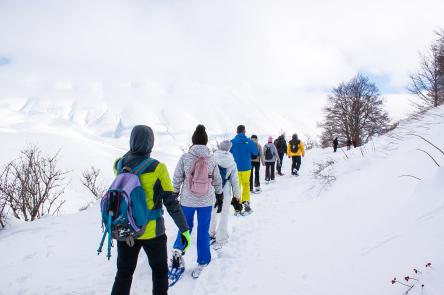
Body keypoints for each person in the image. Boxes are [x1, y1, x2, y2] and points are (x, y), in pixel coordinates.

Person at [111, 125, 190, 295]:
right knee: (160, 272)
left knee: (123, 274)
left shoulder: (119, 164)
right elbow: (171, 202)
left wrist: (132, 151)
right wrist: (184, 229)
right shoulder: (158, 168)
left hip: (126, 229)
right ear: (151, 143)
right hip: (153, 231)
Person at [171, 125, 224, 275]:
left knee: (185, 227)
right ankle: (203, 261)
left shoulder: (185, 157)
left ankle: (178, 250)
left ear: (193, 141)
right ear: (206, 142)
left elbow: (177, 177)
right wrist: (220, 195)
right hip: (206, 201)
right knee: (203, 231)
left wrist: (175, 193)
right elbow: (217, 180)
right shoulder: (212, 158)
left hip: (187, 201)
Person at [209, 140, 241, 249]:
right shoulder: (231, 162)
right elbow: (235, 180)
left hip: (213, 188)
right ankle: (221, 237)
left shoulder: (212, 158)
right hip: (226, 189)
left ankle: (210, 233)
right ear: (228, 149)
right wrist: (237, 194)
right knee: (224, 214)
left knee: (213, 211)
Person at [230, 125, 259, 214]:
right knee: (246, 184)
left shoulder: (232, 142)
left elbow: (228, 154)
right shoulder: (249, 141)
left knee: (236, 186)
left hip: (235, 168)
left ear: (237, 132)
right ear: (244, 132)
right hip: (246, 167)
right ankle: (246, 202)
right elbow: (255, 153)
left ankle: (237, 206)